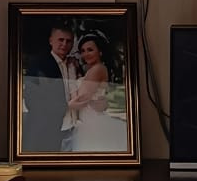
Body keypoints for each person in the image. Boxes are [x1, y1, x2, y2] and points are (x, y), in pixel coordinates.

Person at [21, 23, 79, 153]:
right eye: (61, 40)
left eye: (68, 41)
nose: (64, 44)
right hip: (47, 130)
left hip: (71, 128)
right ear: (51, 41)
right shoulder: (39, 64)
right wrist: (66, 106)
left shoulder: (71, 64)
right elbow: (32, 101)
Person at [66, 32, 127, 153]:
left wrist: (71, 73)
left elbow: (81, 98)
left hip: (92, 120)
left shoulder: (98, 69)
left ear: (100, 52)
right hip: (88, 117)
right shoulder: (91, 69)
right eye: (83, 51)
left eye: (90, 50)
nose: (86, 54)